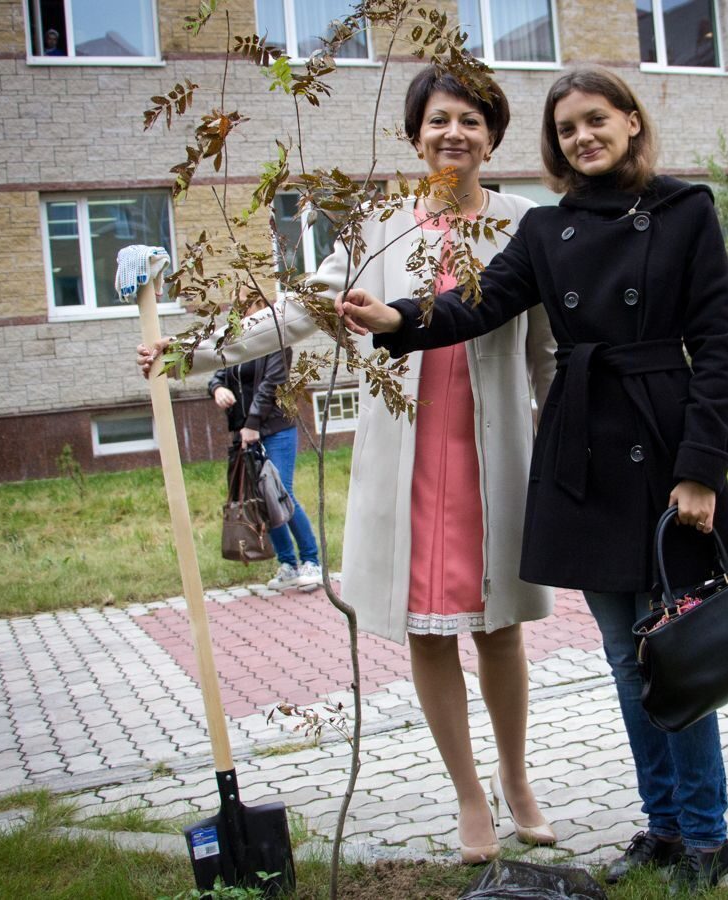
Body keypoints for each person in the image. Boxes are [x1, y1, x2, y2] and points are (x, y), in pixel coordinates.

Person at [337, 66, 728, 893]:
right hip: (584, 455)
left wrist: (701, 471)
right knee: (625, 656)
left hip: (665, 444)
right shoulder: (547, 228)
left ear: (631, 122)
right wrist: (398, 318)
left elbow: (717, 344)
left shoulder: (686, 209)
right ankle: (663, 827)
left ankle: (707, 837)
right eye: (567, 129)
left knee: (676, 651)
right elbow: (478, 305)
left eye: (597, 120)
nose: (583, 137)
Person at [137, 66, 558, 864]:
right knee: (428, 633)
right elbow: (297, 312)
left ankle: (516, 777)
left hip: (496, 457)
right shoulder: (379, 228)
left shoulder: (524, 225)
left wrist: (565, 444)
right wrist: (194, 352)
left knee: (500, 627)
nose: (454, 134)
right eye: (439, 120)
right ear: (415, 136)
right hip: (411, 462)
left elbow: (546, 354)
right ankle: (469, 795)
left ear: (494, 137)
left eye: (471, 120)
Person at [208, 290, 321, 590]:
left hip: (276, 428)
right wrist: (217, 389)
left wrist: (252, 424)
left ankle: (311, 560)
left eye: (248, 307)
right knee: (261, 499)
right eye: (238, 308)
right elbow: (218, 375)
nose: (243, 314)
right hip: (245, 432)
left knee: (280, 493)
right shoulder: (233, 342)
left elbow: (271, 385)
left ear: (261, 307)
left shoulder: (276, 339)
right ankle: (288, 564)